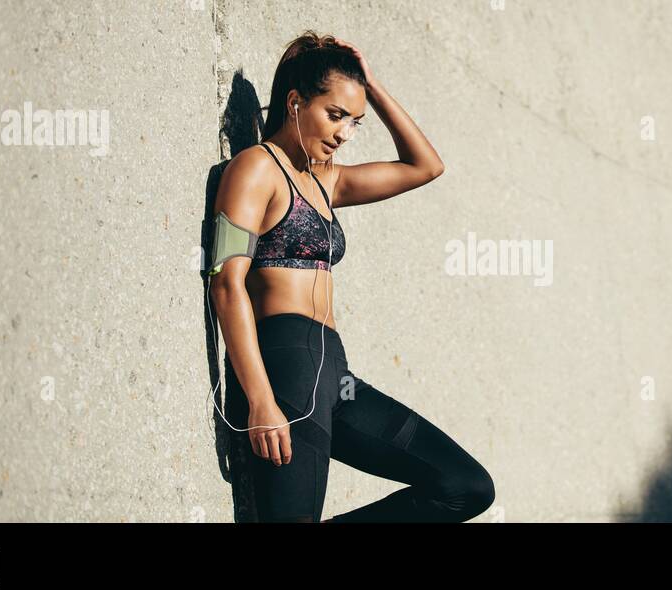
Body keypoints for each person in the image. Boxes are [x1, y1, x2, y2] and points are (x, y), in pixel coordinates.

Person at [208, 30, 495, 523]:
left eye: (354, 121)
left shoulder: (328, 180)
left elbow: (425, 166)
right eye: (335, 114)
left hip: (334, 377)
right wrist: (259, 398)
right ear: (296, 103)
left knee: (463, 486)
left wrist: (372, 85)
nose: (344, 133)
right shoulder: (255, 169)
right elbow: (226, 284)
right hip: (285, 368)